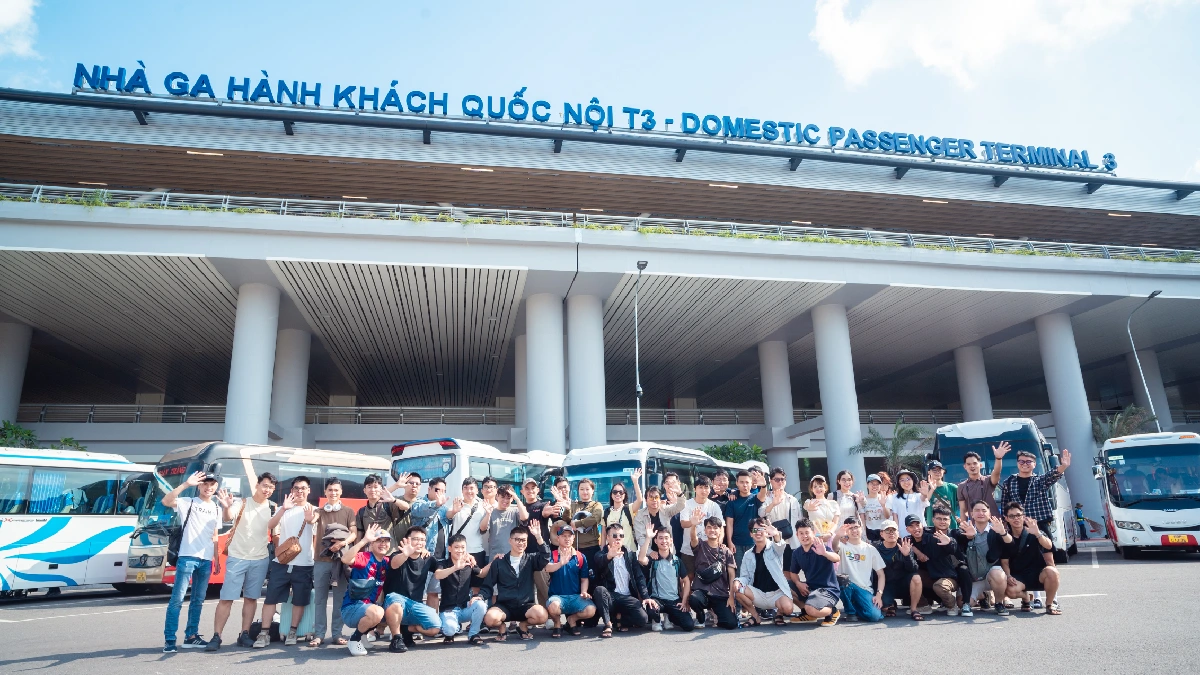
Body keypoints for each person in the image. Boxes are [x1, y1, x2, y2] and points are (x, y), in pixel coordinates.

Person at [207, 472, 276, 651]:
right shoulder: (243, 503)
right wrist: (226, 507)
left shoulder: (273, 508)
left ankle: (244, 634)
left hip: (260, 559)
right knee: (226, 598)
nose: (267, 489)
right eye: (264, 485)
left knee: (251, 598)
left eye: (270, 487)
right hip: (238, 557)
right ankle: (217, 636)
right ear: (257, 485)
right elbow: (228, 517)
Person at [996, 444, 1070, 609]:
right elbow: (1005, 504)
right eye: (1021, 461)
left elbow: (1053, 475)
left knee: (1048, 558)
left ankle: (1054, 597)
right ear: (1017, 463)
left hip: (1039, 523)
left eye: (1028, 462)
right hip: (1017, 525)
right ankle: (1036, 597)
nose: (1025, 464)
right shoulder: (1009, 481)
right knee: (1027, 558)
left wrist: (1063, 466)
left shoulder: (1039, 480)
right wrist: (1006, 523)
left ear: (1034, 464)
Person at [256, 475, 321, 648]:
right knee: (270, 599)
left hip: (304, 563)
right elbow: (270, 526)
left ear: (309, 491)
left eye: (303, 488)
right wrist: (284, 509)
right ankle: (264, 633)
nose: (299, 491)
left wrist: (310, 518)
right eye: (296, 488)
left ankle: (293, 631)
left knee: (299, 600)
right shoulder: (284, 508)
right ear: (292, 491)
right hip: (281, 562)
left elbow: (314, 525)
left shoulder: (315, 510)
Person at [161, 471, 222, 652]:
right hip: (187, 557)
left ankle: (191, 636)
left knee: (198, 600)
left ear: (216, 487)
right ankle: (170, 640)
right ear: (199, 486)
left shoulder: (217, 508)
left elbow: (215, 535)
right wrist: (186, 484)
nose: (208, 487)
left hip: (205, 560)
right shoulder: (188, 502)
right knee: (177, 600)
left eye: (212, 484)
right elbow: (166, 501)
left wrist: (216, 559)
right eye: (205, 483)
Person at [476, 525, 552, 640]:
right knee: (490, 619)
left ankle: (523, 626)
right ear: (510, 541)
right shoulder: (499, 562)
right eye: (517, 539)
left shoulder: (531, 559)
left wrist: (538, 536)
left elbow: (545, 557)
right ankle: (502, 628)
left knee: (542, 615)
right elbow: (488, 585)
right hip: (504, 606)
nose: (520, 543)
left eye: (523, 540)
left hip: (525, 605)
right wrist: (480, 596)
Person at [382, 527, 443, 652]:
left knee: (435, 627)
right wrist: (406, 554)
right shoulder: (397, 555)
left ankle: (405, 629)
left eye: (422, 540)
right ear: (407, 540)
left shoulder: (428, 559)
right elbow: (394, 564)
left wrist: (461, 561)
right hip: (395, 602)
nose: (419, 542)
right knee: (396, 603)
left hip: (415, 604)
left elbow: (441, 570)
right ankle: (396, 638)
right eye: (415, 539)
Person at [312, 477, 357, 647]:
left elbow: (353, 533)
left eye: (336, 490)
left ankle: (337, 633)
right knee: (319, 599)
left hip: (340, 561)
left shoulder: (348, 511)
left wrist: (342, 543)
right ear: (325, 492)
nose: (333, 493)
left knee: (339, 599)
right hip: (320, 560)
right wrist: (310, 517)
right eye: (330, 490)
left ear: (341, 492)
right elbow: (311, 520)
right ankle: (319, 634)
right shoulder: (319, 511)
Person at [999, 502, 1062, 615]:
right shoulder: (1005, 536)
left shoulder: (1033, 531)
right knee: (1010, 591)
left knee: (1052, 572)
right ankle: (1027, 597)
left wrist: (1038, 533)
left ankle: (1049, 604)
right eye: (1012, 516)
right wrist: (1008, 576)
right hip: (1018, 576)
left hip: (1039, 574)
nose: (1016, 518)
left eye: (1018, 515)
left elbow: (1049, 546)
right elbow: (1004, 561)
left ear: (1023, 516)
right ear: (1006, 518)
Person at [592, 523, 653, 637]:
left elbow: (639, 577)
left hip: (627, 596)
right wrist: (609, 556)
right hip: (610, 596)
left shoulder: (630, 555)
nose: (618, 538)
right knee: (599, 590)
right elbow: (599, 564)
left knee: (643, 619)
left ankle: (619, 619)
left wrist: (646, 597)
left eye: (621, 535)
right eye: (614, 535)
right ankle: (608, 624)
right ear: (608, 537)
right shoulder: (601, 554)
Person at [338, 524, 390, 656]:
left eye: (386, 541)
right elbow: (345, 559)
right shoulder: (365, 557)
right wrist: (363, 541)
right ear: (372, 544)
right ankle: (354, 639)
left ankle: (362, 636)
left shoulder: (386, 562)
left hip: (368, 607)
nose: (383, 544)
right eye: (378, 540)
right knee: (378, 612)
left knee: (389, 610)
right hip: (352, 608)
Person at [954, 500, 1011, 616]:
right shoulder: (965, 531)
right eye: (977, 510)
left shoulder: (996, 530)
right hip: (973, 577)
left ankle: (999, 603)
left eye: (984, 511)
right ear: (972, 514)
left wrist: (1003, 532)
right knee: (961, 603)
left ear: (989, 514)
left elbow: (1011, 544)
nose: (980, 513)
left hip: (991, 575)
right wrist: (968, 537)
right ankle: (984, 596)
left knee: (997, 574)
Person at [734, 517, 794, 626]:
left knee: (788, 609)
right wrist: (737, 581)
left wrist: (776, 535)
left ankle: (779, 614)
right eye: (754, 530)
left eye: (761, 529)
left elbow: (780, 545)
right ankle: (755, 616)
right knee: (738, 590)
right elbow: (745, 576)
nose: (758, 533)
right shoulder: (748, 555)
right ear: (751, 534)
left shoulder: (774, 548)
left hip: (777, 594)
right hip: (758, 594)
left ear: (766, 531)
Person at [637, 524, 695, 632]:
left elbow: (686, 581)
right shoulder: (653, 559)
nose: (664, 541)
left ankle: (669, 617)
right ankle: (657, 620)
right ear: (656, 541)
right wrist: (648, 538)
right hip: (657, 600)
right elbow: (641, 559)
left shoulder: (677, 560)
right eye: (660, 538)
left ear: (671, 540)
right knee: (652, 610)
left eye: (666, 538)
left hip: (674, 600)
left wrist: (683, 601)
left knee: (689, 625)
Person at [544, 522, 597, 637]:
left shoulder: (580, 556)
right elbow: (547, 568)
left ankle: (571, 621)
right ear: (558, 538)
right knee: (553, 607)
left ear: (573, 538)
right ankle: (557, 623)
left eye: (569, 536)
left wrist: (584, 591)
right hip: (557, 597)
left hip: (575, 597)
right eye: (563, 536)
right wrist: (560, 563)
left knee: (591, 610)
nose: (567, 538)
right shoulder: (552, 555)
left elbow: (584, 579)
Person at [434, 534, 488, 644]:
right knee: (449, 630)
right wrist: (455, 567)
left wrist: (495, 561)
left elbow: (481, 573)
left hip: (464, 608)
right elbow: (438, 575)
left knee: (481, 605)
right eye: (456, 547)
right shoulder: (443, 563)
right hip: (449, 609)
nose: (460, 550)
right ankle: (452, 630)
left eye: (463, 547)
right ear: (449, 548)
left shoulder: (468, 563)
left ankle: (473, 634)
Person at [788, 518, 841, 626]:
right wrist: (798, 584)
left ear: (814, 533)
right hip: (811, 589)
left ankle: (833, 611)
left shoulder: (820, 547)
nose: (804, 536)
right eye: (801, 533)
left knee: (811, 608)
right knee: (785, 586)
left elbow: (837, 558)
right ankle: (809, 614)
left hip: (828, 590)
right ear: (797, 535)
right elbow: (793, 573)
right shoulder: (797, 553)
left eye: (807, 532)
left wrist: (825, 553)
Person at [688, 516, 739, 629]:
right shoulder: (700, 546)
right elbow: (693, 539)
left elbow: (732, 576)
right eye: (709, 527)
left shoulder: (726, 551)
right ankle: (700, 616)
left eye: (715, 528)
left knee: (731, 624)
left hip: (720, 593)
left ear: (720, 530)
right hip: (702, 591)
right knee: (694, 599)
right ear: (705, 530)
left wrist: (731, 597)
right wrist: (693, 525)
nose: (712, 530)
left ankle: (715, 613)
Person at [831, 517, 886, 622]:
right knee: (842, 580)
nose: (854, 530)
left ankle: (857, 607)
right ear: (846, 531)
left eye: (856, 527)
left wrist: (879, 595)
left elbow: (881, 574)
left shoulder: (870, 549)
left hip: (865, 589)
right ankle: (850, 612)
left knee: (874, 616)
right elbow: (834, 547)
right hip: (848, 585)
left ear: (861, 529)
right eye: (850, 528)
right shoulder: (843, 546)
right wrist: (838, 535)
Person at [873, 519, 924, 620]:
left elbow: (913, 569)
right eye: (887, 530)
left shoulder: (905, 546)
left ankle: (914, 609)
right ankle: (891, 604)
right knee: (883, 607)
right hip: (885, 584)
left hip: (903, 583)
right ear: (881, 534)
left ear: (898, 533)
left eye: (894, 530)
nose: (891, 533)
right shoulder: (875, 548)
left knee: (916, 578)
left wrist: (907, 556)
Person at [678, 475, 724, 579]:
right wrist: (693, 522)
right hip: (688, 550)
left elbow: (721, 527)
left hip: (709, 550)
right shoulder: (687, 504)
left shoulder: (714, 506)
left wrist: (719, 544)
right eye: (700, 487)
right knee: (688, 579)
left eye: (706, 487)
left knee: (707, 578)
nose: (703, 490)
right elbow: (683, 524)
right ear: (694, 489)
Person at [445, 477, 489, 583]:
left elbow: (483, 528)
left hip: (476, 550)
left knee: (476, 585)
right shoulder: (457, 503)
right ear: (462, 490)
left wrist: (488, 513)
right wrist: (454, 511)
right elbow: (448, 516)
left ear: (477, 490)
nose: (469, 491)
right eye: (465, 488)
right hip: (458, 552)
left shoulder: (483, 505)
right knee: (457, 585)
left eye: (471, 488)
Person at [757, 467, 803, 567]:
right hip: (773, 541)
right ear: (771, 481)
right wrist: (773, 504)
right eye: (777, 479)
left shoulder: (792, 500)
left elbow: (799, 521)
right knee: (776, 571)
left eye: (782, 479)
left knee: (792, 572)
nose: (780, 482)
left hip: (791, 541)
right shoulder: (766, 498)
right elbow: (761, 513)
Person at [356, 473, 410, 551]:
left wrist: (394, 500)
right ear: (364, 490)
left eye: (375, 487)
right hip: (370, 554)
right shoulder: (361, 512)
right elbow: (359, 534)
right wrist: (358, 552)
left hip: (389, 552)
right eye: (369, 487)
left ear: (381, 489)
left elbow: (406, 506)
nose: (372, 490)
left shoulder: (388, 505)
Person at [724, 470, 762, 573]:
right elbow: (729, 523)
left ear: (751, 483)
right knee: (740, 573)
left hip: (754, 542)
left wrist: (763, 485)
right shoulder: (732, 502)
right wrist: (730, 542)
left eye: (747, 482)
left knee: (755, 571)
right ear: (737, 483)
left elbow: (763, 494)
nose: (745, 485)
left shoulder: (755, 498)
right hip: (737, 544)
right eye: (741, 482)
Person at [482, 485, 529, 560]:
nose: (505, 500)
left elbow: (525, 517)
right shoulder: (491, 511)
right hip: (495, 554)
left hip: (513, 554)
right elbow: (482, 529)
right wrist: (488, 514)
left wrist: (517, 499)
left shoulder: (515, 511)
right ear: (497, 496)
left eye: (508, 498)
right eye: (502, 497)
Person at [633, 484, 686, 550]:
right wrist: (650, 552)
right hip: (649, 552)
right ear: (646, 500)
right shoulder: (640, 515)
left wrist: (679, 494)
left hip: (666, 550)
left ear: (660, 499)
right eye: (651, 497)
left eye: (656, 497)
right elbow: (640, 537)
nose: (654, 500)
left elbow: (680, 506)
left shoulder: (665, 510)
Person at [602, 468, 643, 549]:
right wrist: (603, 551)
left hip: (629, 551)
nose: (618, 494)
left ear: (625, 495)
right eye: (615, 492)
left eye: (621, 492)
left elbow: (640, 500)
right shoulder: (606, 512)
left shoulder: (629, 509)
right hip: (612, 551)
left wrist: (635, 481)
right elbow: (603, 534)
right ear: (611, 494)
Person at [957, 447, 1003, 517]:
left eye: (975, 463)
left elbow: (996, 472)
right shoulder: (961, 486)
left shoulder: (988, 480)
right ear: (965, 467)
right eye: (969, 464)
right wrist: (964, 526)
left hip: (993, 523)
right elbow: (963, 510)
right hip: (974, 525)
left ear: (980, 465)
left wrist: (998, 459)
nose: (972, 466)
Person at [570, 478, 605, 564]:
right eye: (581, 489)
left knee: (591, 575)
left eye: (587, 489)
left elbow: (595, 518)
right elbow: (567, 519)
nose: (584, 492)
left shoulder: (597, 505)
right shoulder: (573, 505)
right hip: (575, 548)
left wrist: (577, 523)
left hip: (591, 547)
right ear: (578, 491)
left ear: (592, 491)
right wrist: (566, 506)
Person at [382, 471, 423, 542]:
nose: (414, 485)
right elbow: (380, 497)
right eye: (411, 483)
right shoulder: (394, 500)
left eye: (417, 484)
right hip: (396, 545)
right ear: (405, 484)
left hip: (415, 546)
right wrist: (396, 485)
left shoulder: (423, 504)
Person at [803, 475, 841, 542]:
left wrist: (829, 533)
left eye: (820, 486)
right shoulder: (809, 502)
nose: (818, 489)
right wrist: (809, 507)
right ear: (812, 489)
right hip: (815, 538)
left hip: (830, 538)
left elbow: (835, 523)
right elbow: (806, 506)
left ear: (825, 488)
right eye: (815, 487)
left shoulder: (833, 504)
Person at [924, 460, 960, 525]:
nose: (937, 472)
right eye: (934, 470)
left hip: (951, 526)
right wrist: (931, 489)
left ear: (943, 471)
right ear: (929, 472)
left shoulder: (952, 488)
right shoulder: (925, 488)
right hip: (933, 527)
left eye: (939, 470)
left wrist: (959, 516)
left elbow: (962, 503)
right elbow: (923, 504)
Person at [858, 474, 891, 542]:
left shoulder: (884, 498)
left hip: (884, 530)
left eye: (877, 484)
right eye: (872, 484)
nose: (874, 486)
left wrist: (883, 506)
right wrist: (864, 535)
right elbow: (863, 519)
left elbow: (887, 516)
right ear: (867, 485)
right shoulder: (863, 500)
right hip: (870, 532)